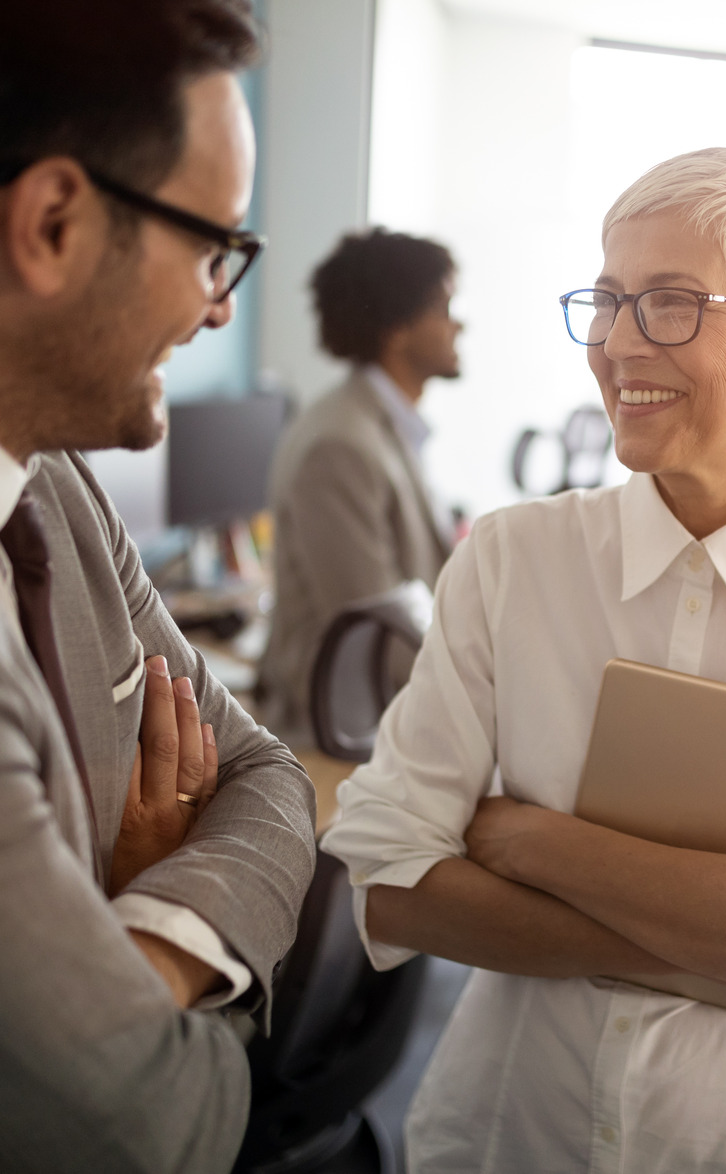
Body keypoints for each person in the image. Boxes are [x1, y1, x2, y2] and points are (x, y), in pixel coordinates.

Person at [322, 147, 726, 1172]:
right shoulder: (511, 556)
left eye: (669, 303)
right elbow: (390, 882)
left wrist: (530, 844)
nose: (618, 344)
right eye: (608, 301)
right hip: (511, 1126)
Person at [0, 3, 317, 1171]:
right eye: (212, 245)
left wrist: (144, 945)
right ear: (53, 223)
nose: (220, 304)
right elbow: (133, 1124)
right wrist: (148, 971)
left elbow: (270, 776)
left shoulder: (63, 491)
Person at [258, 228, 461, 741]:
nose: (458, 324)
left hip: (385, 715)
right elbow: (381, 635)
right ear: (397, 329)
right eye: (443, 307)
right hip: (340, 734)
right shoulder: (339, 445)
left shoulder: (386, 427)